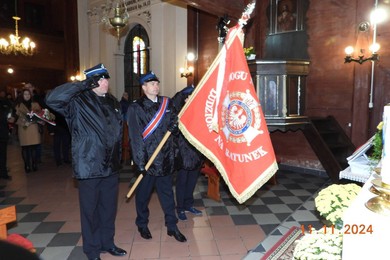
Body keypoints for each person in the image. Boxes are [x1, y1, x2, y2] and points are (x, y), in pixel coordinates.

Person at [45, 63, 127, 260]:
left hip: (111, 166)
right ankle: (92, 250)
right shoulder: (77, 102)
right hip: (89, 165)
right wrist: (81, 85)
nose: (105, 82)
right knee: (89, 211)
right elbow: (51, 99)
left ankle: (108, 243)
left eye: (106, 78)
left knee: (108, 209)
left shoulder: (113, 102)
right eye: (99, 79)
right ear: (91, 82)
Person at [127, 71, 187, 242]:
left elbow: (174, 123)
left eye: (157, 83)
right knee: (143, 195)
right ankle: (142, 223)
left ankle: (172, 226)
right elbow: (135, 137)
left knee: (167, 194)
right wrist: (139, 162)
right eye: (152, 83)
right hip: (147, 162)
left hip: (165, 159)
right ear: (144, 87)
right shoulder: (135, 107)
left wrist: (176, 128)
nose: (156, 86)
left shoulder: (166, 103)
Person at [172, 85, 204, 221]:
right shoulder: (179, 114)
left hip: (195, 154)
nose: (193, 99)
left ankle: (188, 205)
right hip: (183, 154)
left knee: (192, 182)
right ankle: (180, 208)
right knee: (182, 182)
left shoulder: (198, 112)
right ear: (185, 99)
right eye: (190, 96)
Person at [14, 89, 42, 173]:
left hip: (33, 128)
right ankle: (26, 165)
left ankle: (34, 164)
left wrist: (38, 119)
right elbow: (15, 118)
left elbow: (40, 115)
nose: (27, 96)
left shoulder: (35, 104)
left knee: (34, 147)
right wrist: (24, 122)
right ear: (22, 95)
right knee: (25, 148)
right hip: (24, 128)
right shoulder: (18, 105)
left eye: (28, 94)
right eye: (25, 94)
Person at [0, 90, 15, 179]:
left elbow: (11, 112)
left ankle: (3, 172)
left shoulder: (4, 102)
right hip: (3, 130)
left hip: (3, 132)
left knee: (3, 154)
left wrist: (12, 118)